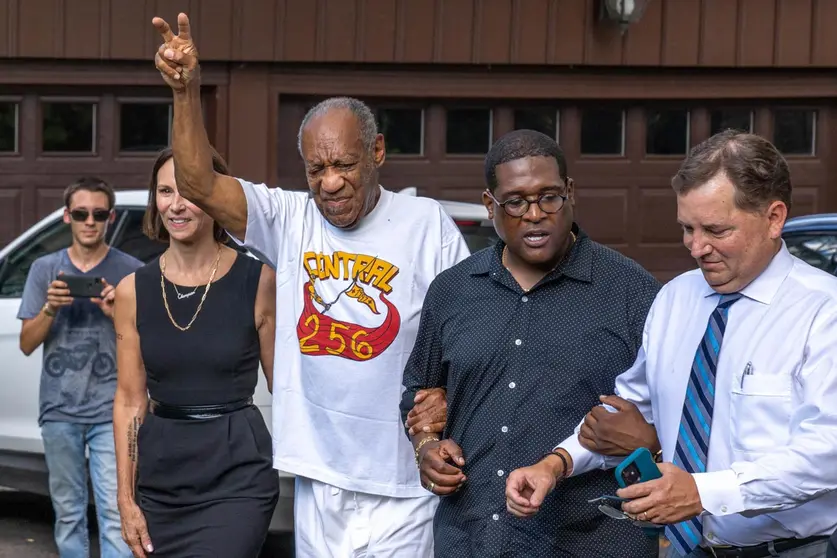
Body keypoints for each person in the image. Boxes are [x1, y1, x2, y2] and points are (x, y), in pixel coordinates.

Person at [150, 13, 471, 557]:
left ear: (377, 153)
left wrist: (444, 409)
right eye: (315, 168)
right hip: (319, 478)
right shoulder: (289, 218)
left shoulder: (426, 225)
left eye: (344, 164)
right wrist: (187, 93)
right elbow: (198, 183)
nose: (330, 183)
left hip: (402, 480)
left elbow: (466, 331)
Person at [506, 130, 837, 557]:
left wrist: (702, 492)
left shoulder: (824, 313)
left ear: (774, 218)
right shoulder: (676, 298)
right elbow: (629, 407)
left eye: (716, 230)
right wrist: (555, 464)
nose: (697, 248)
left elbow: (826, 453)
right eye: (687, 228)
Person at [399, 129, 661, 557]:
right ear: (491, 205)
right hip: (474, 539)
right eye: (516, 202)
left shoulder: (631, 292)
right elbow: (419, 393)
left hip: (595, 541)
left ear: (570, 193)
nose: (535, 213)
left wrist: (649, 440)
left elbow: (673, 414)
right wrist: (426, 446)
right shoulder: (452, 292)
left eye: (549, 197)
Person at [112, 147, 279, 558]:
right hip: (161, 475)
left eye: (188, 190)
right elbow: (130, 400)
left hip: (237, 473)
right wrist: (125, 498)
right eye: (165, 191)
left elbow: (287, 389)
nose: (176, 204)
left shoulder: (259, 281)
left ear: (214, 195)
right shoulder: (132, 291)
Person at [17, 177, 141, 558]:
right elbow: (26, 343)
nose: (91, 221)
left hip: (113, 411)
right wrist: (50, 308)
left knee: (115, 511)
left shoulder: (132, 270)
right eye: (82, 213)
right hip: (59, 410)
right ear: (67, 217)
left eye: (99, 214)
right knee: (68, 512)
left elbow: (148, 347)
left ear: (110, 217)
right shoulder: (44, 269)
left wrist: (116, 313)